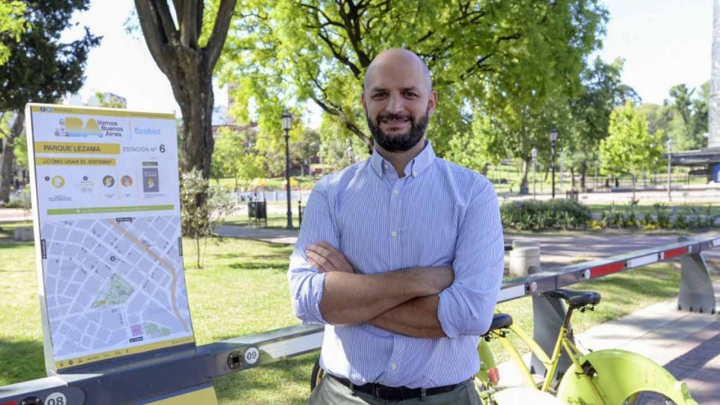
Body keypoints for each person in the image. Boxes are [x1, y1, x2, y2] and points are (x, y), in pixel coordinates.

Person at [288, 48, 504, 405]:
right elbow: (307, 299)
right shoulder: (330, 193)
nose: (394, 108)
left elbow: (471, 314)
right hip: (342, 396)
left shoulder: (473, 193)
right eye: (380, 94)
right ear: (364, 102)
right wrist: (422, 280)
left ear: (431, 102)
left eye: (409, 94)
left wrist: (352, 292)